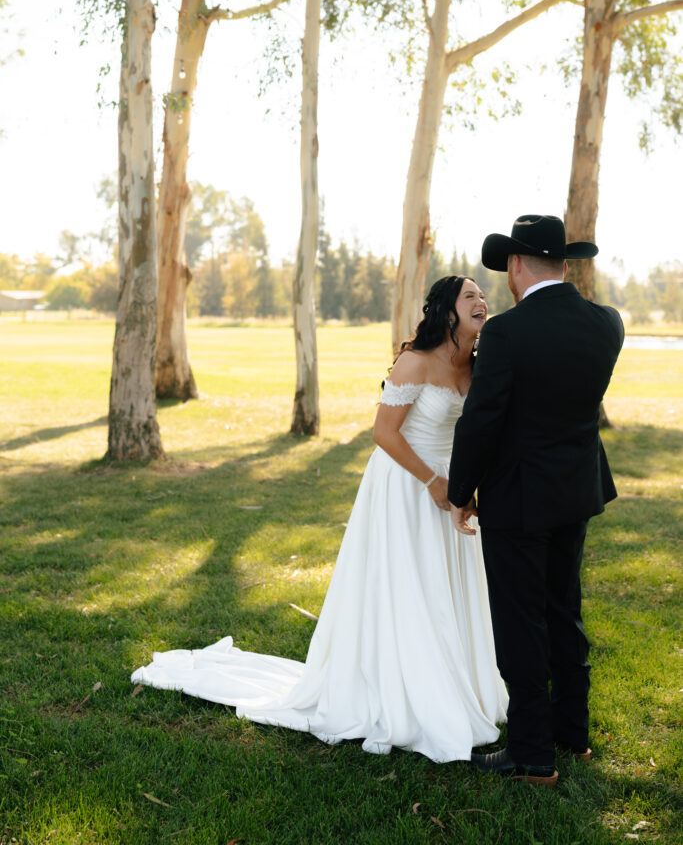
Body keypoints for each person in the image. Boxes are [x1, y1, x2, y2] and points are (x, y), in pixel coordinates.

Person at [132, 275, 508, 762]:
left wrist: (462, 490)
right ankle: (407, 693)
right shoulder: (415, 361)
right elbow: (383, 433)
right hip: (403, 484)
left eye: (482, 295)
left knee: (448, 588)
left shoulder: (478, 367)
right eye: (470, 296)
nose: (481, 301)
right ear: (447, 310)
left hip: (449, 489)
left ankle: (459, 687)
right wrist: (431, 482)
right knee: (410, 588)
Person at [448, 215, 624, 787]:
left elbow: (482, 421)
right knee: (563, 613)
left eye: (506, 267)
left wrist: (459, 491)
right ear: (565, 264)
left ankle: (531, 754)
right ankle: (572, 734)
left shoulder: (507, 332)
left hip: (518, 499)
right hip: (576, 492)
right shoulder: (607, 324)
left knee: (522, 624)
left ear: (518, 265)